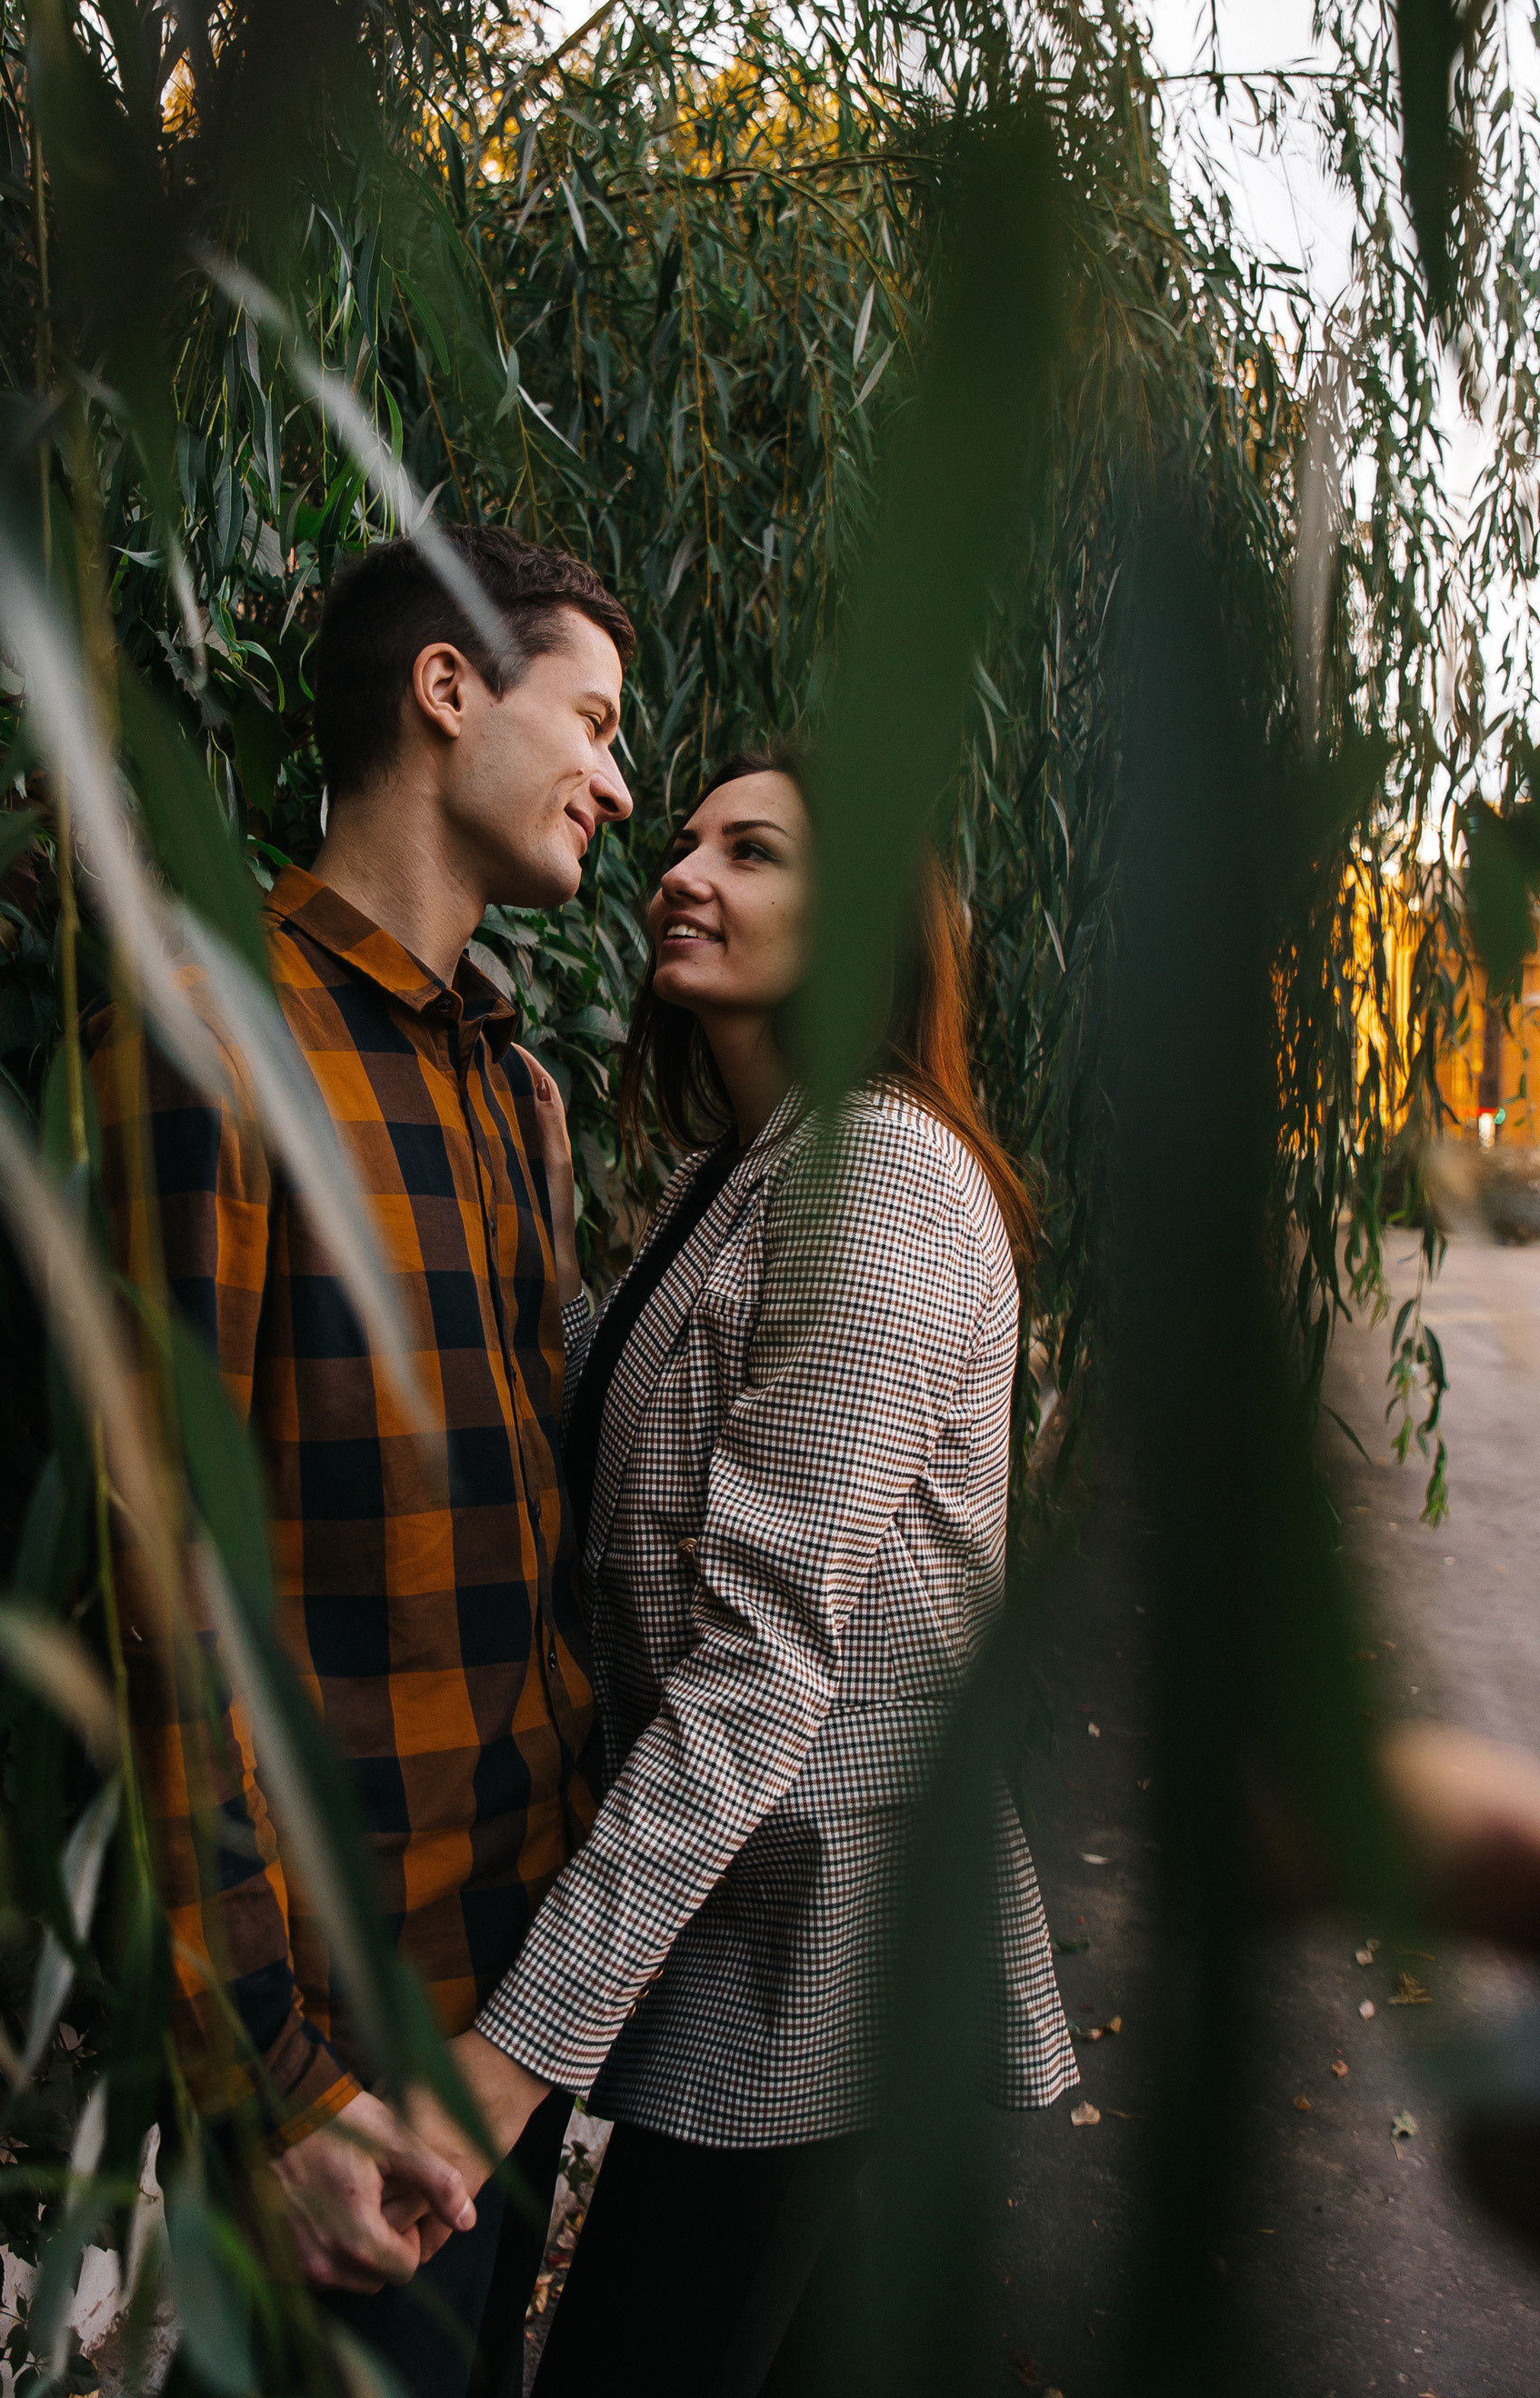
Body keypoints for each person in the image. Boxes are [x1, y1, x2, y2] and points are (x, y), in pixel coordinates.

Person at [418, 748, 1080, 2395]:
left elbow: (756, 1670)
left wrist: (514, 2057)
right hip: (772, 1930)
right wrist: (552, 1237)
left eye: (753, 851)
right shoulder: (752, 1171)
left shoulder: (877, 1184)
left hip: (828, 1954)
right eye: (689, 840)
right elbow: (645, 1458)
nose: (682, 871)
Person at [85, 526, 634, 2394]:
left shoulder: (515, 1091)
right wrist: (271, 2076)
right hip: (345, 2014)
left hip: (520, 1979)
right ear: (447, 688)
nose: (620, 784)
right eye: (594, 718)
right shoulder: (213, 1026)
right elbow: (164, 1585)